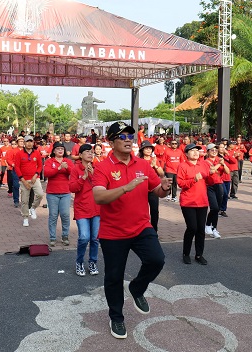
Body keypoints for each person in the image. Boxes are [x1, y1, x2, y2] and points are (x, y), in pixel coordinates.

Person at [92, 121, 172, 340]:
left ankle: (137, 288)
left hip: (141, 226)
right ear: (111, 142)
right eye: (122, 137)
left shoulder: (143, 165)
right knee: (114, 277)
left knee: (157, 260)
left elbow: (156, 190)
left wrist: (164, 187)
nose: (128, 140)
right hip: (113, 232)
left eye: (130, 136)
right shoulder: (102, 167)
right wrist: (126, 187)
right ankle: (116, 317)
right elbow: (99, 196)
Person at [69, 144, 101, 276]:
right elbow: (72, 188)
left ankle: (93, 261)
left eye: (91, 152)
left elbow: (102, 186)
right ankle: (79, 262)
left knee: (95, 238)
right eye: (87, 152)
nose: (90, 154)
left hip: (97, 208)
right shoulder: (76, 169)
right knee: (84, 237)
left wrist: (93, 175)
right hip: (82, 208)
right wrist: (83, 177)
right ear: (80, 155)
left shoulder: (97, 168)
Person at [177, 144, 209, 265]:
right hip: (188, 202)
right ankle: (186, 253)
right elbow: (180, 183)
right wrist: (193, 180)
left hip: (202, 201)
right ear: (186, 154)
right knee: (192, 227)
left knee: (201, 229)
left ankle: (199, 254)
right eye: (192, 151)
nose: (196, 153)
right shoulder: (183, 166)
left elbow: (209, 181)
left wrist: (212, 174)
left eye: (197, 150)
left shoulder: (203, 164)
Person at [43, 142, 73, 246]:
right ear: (54, 151)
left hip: (65, 192)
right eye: (58, 149)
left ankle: (65, 236)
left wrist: (67, 167)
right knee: (53, 215)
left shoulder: (68, 161)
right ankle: (52, 237)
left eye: (62, 149)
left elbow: (73, 173)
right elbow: (46, 173)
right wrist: (59, 168)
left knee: (65, 215)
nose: (60, 150)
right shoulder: (49, 161)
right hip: (52, 193)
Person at [14, 135, 44, 227]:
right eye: (27, 141)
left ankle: (33, 208)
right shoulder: (19, 154)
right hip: (24, 179)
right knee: (24, 200)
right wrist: (23, 180)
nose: (29, 143)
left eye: (31, 141)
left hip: (35, 178)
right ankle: (25, 218)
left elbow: (40, 166)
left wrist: (36, 175)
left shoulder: (36, 153)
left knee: (40, 194)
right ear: (24, 143)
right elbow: (17, 167)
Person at [203, 143, 229, 238]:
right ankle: (207, 224)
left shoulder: (220, 160)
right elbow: (211, 171)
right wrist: (219, 164)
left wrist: (223, 164)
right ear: (208, 152)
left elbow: (227, 171)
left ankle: (214, 228)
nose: (214, 151)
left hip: (219, 185)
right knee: (214, 207)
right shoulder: (206, 162)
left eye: (216, 150)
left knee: (217, 208)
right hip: (209, 186)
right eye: (212, 150)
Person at [138, 141, 165, 232]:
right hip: (141, 189)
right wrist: (150, 166)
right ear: (142, 150)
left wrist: (156, 166)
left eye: (150, 148)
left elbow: (161, 174)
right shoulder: (138, 160)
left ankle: (154, 230)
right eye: (146, 148)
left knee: (154, 211)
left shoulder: (154, 159)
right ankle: (142, 230)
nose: (149, 150)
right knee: (141, 211)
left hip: (153, 189)